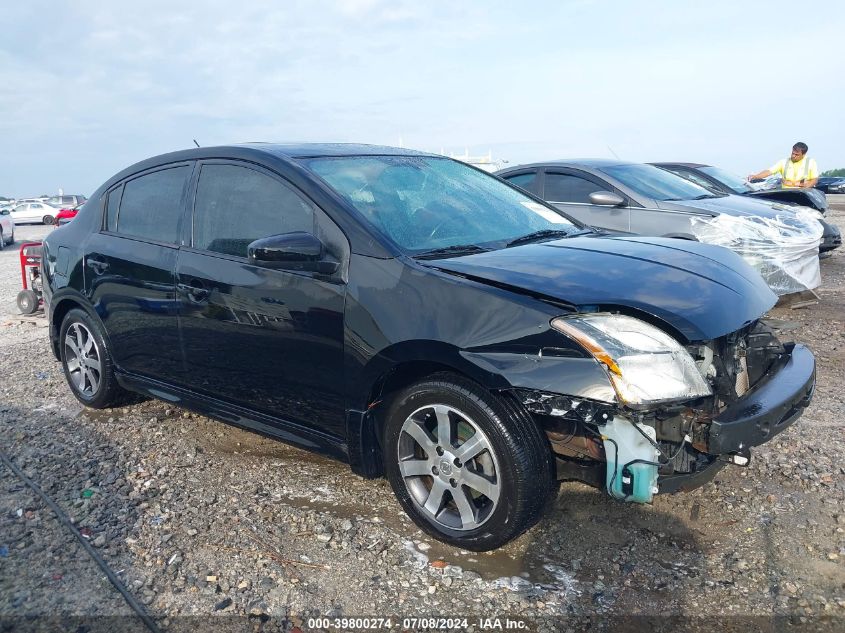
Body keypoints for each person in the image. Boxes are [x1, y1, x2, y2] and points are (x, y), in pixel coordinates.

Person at [748, 142, 819, 189]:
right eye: (792, 153)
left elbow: (814, 180)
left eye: (797, 155)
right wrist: (755, 176)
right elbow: (768, 171)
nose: (793, 156)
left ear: (803, 154)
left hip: (803, 193)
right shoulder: (784, 162)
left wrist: (805, 188)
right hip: (786, 193)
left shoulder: (810, 162)